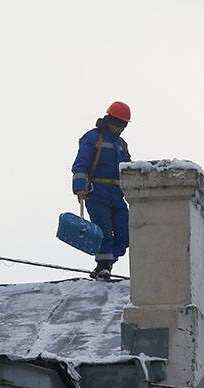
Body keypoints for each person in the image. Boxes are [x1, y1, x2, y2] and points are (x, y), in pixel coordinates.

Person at [72, 101, 132, 280]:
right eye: (118, 123)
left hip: (117, 192)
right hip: (97, 191)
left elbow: (128, 169)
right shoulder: (93, 138)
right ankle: (103, 266)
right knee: (103, 229)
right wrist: (80, 187)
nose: (120, 128)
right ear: (109, 119)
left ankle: (108, 263)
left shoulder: (121, 144)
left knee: (124, 230)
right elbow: (81, 163)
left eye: (123, 124)